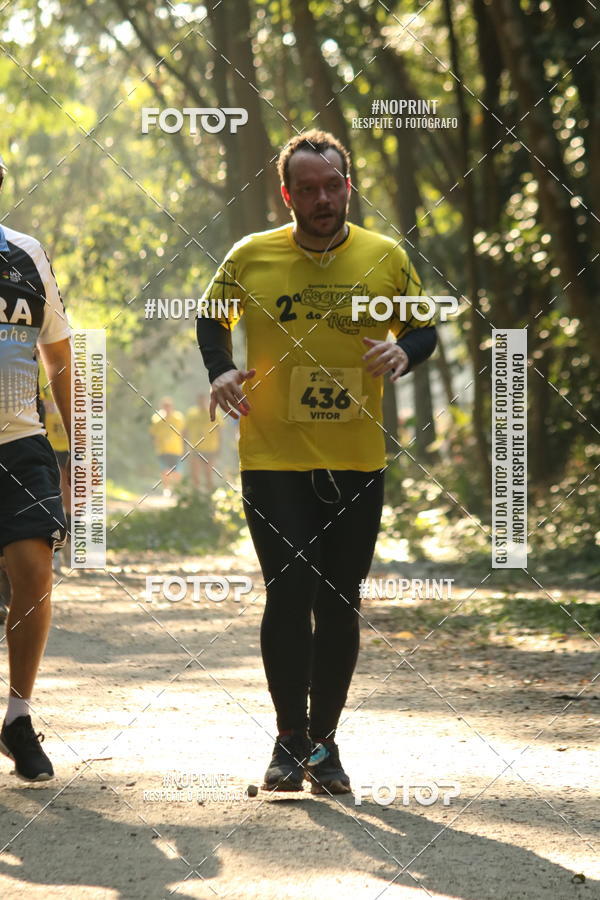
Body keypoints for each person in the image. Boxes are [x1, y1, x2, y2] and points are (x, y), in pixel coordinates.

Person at [197, 129, 437, 795]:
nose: (322, 199)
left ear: (348, 186)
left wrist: (403, 353)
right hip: (273, 456)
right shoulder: (252, 256)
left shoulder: (385, 257)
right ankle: (288, 741)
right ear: (287, 194)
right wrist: (220, 372)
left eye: (332, 186)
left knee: (340, 600)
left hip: (356, 457)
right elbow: (211, 318)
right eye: (308, 189)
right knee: (290, 587)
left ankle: (325, 744)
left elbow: (424, 329)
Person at [0, 153, 72, 781]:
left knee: (33, 572)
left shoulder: (27, 255)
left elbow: (61, 359)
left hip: (21, 441)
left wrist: (84, 450)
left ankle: (18, 716)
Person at [40, 368, 71, 570]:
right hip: (46, 441)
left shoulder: (76, 373)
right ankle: (55, 554)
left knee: (69, 501)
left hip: (69, 443)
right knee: (54, 495)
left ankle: (69, 552)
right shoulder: (38, 369)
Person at [149, 397, 185, 497]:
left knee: (177, 472)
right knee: (165, 470)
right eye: (165, 406)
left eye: (169, 406)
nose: (167, 408)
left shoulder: (178, 417)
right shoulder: (156, 418)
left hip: (176, 449)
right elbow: (153, 434)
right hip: (162, 450)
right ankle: (166, 489)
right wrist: (154, 445)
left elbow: (183, 432)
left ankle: (177, 490)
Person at [185, 393, 220, 491]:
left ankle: (209, 495)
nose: (202, 402)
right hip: (196, 448)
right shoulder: (191, 413)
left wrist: (219, 447)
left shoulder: (214, 412)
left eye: (203, 400)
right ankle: (196, 495)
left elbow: (219, 430)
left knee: (208, 473)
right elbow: (185, 430)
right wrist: (184, 445)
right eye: (200, 400)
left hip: (211, 448)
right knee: (195, 473)